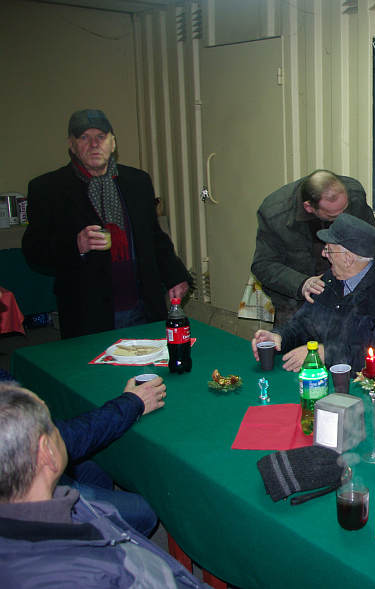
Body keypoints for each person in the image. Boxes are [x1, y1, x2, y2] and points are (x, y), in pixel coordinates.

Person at [0, 382, 204, 588]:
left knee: (94, 470)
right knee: (140, 510)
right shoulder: (92, 574)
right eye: (53, 425)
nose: (59, 428)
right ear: (47, 453)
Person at [22, 109, 190, 339]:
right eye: (84, 137)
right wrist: (76, 245)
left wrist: (175, 275)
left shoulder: (137, 182)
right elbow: (34, 252)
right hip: (87, 316)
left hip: (144, 310)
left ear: (113, 143)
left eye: (101, 137)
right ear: (72, 145)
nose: (94, 144)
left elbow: (154, 237)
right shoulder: (48, 189)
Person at [252, 213, 375, 380]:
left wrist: (327, 354)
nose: (324, 254)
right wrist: (279, 336)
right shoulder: (330, 279)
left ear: (348, 258)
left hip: (364, 389)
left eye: (329, 249)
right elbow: (303, 325)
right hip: (320, 378)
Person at [251, 169, 375, 326]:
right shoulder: (275, 214)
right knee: (291, 340)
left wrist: (361, 277)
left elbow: (373, 243)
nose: (342, 217)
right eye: (333, 216)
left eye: (345, 209)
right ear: (309, 207)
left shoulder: (354, 194)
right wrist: (303, 284)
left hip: (346, 298)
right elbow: (263, 265)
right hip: (297, 302)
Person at [56, 375, 168, 537]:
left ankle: (101, 511)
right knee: (142, 512)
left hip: (34, 464)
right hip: (31, 492)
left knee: (97, 466)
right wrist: (133, 403)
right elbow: (68, 439)